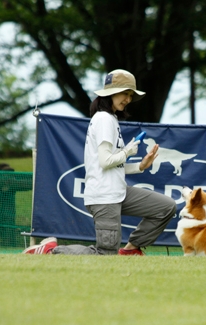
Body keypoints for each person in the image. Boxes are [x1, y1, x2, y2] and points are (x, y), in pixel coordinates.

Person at [23, 69, 177, 256]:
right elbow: (106, 162)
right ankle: (50, 250)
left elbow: (110, 165)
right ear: (110, 93)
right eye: (124, 93)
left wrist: (140, 166)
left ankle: (130, 250)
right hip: (105, 196)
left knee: (166, 207)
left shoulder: (110, 118)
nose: (127, 99)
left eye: (130, 95)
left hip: (117, 191)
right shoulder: (104, 119)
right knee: (105, 254)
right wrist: (128, 151)